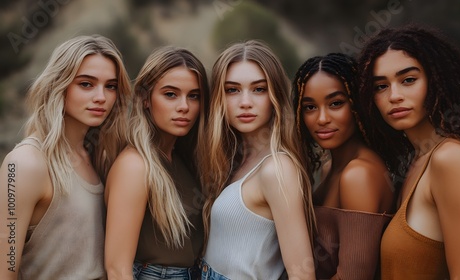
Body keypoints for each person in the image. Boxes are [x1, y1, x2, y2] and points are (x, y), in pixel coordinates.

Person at [354, 24, 460, 279]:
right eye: (381, 86)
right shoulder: (418, 161)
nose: (394, 96)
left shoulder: (452, 160)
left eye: (408, 80)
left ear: (436, 80)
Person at [0, 34, 131, 279]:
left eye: (110, 86)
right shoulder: (25, 163)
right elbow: (4, 268)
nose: (101, 97)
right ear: (58, 84)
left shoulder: (100, 156)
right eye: (86, 84)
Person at [198, 40, 316, 279]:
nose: (245, 102)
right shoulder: (236, 161)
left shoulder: (278, 168)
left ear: (275, 96)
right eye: (232, 90)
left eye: (259, 89)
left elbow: (302, 273)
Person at [104, 46, 209, 280]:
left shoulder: (182, 158)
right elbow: (117, 269)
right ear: (145, 99)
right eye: (170, 94)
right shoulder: (134, 166)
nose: (184, 106)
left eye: (194, 96)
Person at [292, 52, 394, 279]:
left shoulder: (358, 175)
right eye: (310, 107)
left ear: (357, 105)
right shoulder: (331, 167)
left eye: (336, 103)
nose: (322, 119)